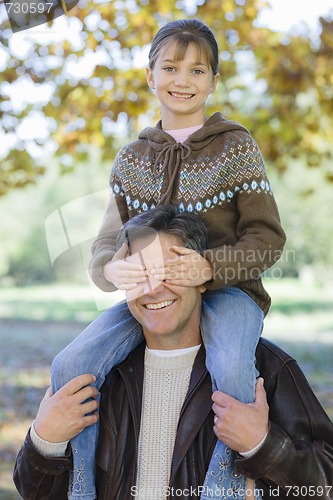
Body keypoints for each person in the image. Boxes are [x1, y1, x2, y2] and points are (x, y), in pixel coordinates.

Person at [51, 18, 286, 500]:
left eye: (198, 70)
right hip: (149, 299)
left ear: (214, 81)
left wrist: (211, 268)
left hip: (228, 294)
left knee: (233, 368)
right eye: (171, 67)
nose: (183, 80)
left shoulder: (235, 147)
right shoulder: (132, 158)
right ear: (150, 76)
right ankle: (80, 487)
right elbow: (104, 245)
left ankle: (224, 486)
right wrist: (112, 269)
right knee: (69, 363)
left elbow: (267, 238)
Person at [13, 206, 333, 500]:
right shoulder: (96, 377)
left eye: (171, 270)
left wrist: (262, 446)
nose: (154, 288)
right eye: (140, 274)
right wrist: (45, 441)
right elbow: (35, 493)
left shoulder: (265, 368)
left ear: (203, 277)